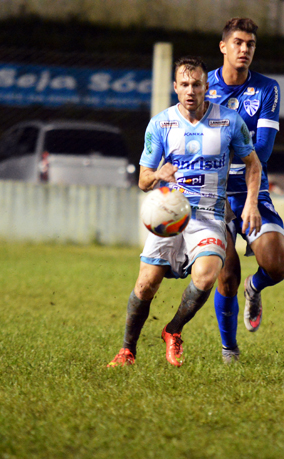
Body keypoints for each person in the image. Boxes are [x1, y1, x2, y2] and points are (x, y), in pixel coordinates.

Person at [107, 56, 262, 368]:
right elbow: (142, 179)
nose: (191, 90)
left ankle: (172, 330)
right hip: (170, 213)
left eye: (197, 84)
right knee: (147, 284)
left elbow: (253, 164)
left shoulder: (230, 121)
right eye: (185, 85)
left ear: (207, 87)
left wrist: (250, 203)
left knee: (206, 276)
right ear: (175, 87)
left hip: (209, 215)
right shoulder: (161, 124)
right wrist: (157, 176)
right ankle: (127, 351)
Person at [207, 18, 284, 363]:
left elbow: (264, 150)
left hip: (252, 188)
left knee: (277, 266)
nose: (244, 49)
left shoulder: (268, 88)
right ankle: (230, 350)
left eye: (250, 44)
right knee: (226, 276)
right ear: (223, 46)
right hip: (211, 192)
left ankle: (254, 289)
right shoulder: (201, 86)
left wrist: (250, 200)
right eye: (238, 43)